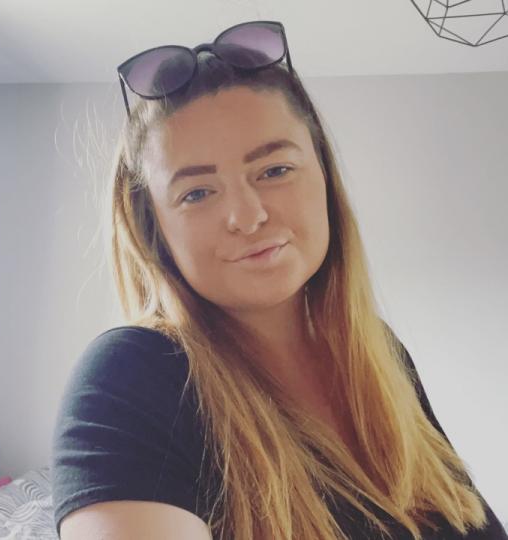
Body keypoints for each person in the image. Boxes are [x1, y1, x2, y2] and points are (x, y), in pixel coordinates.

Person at [51, 20, 507, 540]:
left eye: (274, 171)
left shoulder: (380, 353)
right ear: (154, 229)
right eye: (197, 193)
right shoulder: (132, 380)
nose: (248, 217)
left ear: (324, 178)